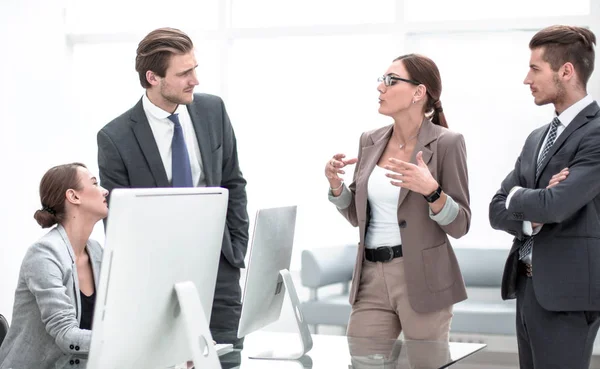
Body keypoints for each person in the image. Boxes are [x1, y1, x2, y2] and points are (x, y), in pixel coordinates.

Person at [97, 27, 248, 347]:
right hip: (158, 280)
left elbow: (233, 181)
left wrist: (237, 245)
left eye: (195, 68)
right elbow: (119, 222)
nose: (195, 79)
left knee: (228, 355)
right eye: (184, 73)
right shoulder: (115, 138)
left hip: (220, 270)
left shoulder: (212, 111)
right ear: (153, 78)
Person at [325, 54, 471, 341]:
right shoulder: (370, 140)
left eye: (391, 81)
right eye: (382, 80)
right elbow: (358, 217)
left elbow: (461, 225)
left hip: (423, 278)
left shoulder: (447, 143)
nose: (381, 88)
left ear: (419, 92)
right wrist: (337, 187)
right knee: (363, 362)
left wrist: (432, 191)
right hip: (369, 278)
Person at [489, 25, 600, 369]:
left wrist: (519, 195)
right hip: (528, 288)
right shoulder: (537, 138)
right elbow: (495, 208)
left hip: (567, 295)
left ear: (566, 71)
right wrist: (530, 206)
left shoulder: (596, 133)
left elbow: (558, 205)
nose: (527, 79)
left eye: (535, 68)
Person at [0, 163, 108, 369]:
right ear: (73, 196)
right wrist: (123, 339)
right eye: (95, 183)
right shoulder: (43, 254)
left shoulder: (97, 252)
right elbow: (66, 335)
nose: (105, 191)